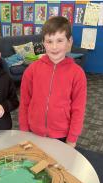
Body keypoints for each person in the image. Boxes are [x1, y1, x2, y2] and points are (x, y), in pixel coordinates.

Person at [19, 16, 87, 148]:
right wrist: (24, 131)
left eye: (60, 40)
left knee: (57, 166)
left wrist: (72, 139)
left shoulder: (77, 74)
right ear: (43, 43)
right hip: (34, 132)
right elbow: (24, 103)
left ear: (69, 42)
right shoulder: (31, 70)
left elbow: (78, 109)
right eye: (49, 41)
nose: (54, 47)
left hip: (62, 135)